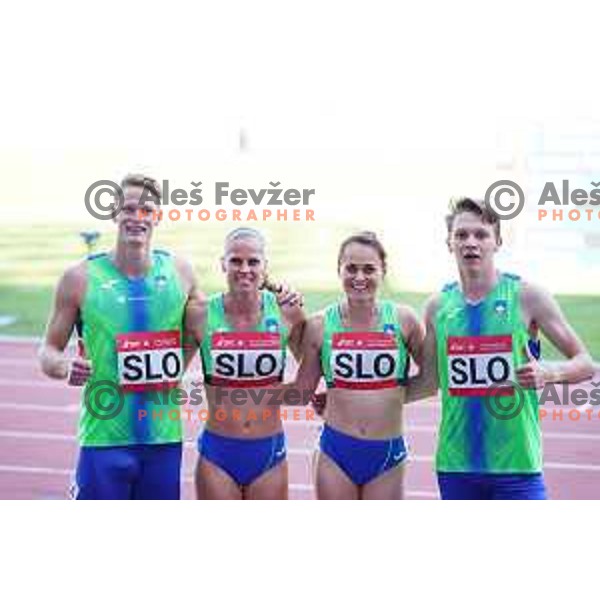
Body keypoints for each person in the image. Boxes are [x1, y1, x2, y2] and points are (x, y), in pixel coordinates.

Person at [407, 197, 595, 500]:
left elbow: (585, 363)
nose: (471, 242)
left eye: (481, 234)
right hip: (456, 466)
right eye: (461, 235)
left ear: (497, 241)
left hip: (517, 464)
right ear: (449, 243)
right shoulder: (437, 306)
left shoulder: (527, 296)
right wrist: (352, 399)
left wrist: (549, 372)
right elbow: (429, 383)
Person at [39, 174, 203, 500]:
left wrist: (176, 368)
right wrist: (63, 367)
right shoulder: (79, 278)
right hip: (103, 439)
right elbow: (48, 348)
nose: (137, 217)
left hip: (163, 438)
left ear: (158, 216)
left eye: (146, 210)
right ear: (114, 215)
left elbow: (201, 331)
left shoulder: (181, 273)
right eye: (128, 209)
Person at [296, 232, 424, 499]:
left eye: (369, 269)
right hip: (335, 451)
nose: (359, 277)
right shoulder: (319, 325)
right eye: (351, 268)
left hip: (387, 452)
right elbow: (301, 391)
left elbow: (433, 381)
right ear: (339, 269)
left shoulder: (405, 320)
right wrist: (290, 320)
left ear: (383, 271)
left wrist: (383, 395)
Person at [187, 227, 306, 500]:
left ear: (265, 266)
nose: (244, 269)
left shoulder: (288, 311)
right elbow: (170, 372)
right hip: (217, 453)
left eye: (253, 261)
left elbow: (313, 371)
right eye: (235, 261)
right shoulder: (198, 315)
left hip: (269, 451)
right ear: (222, 264)